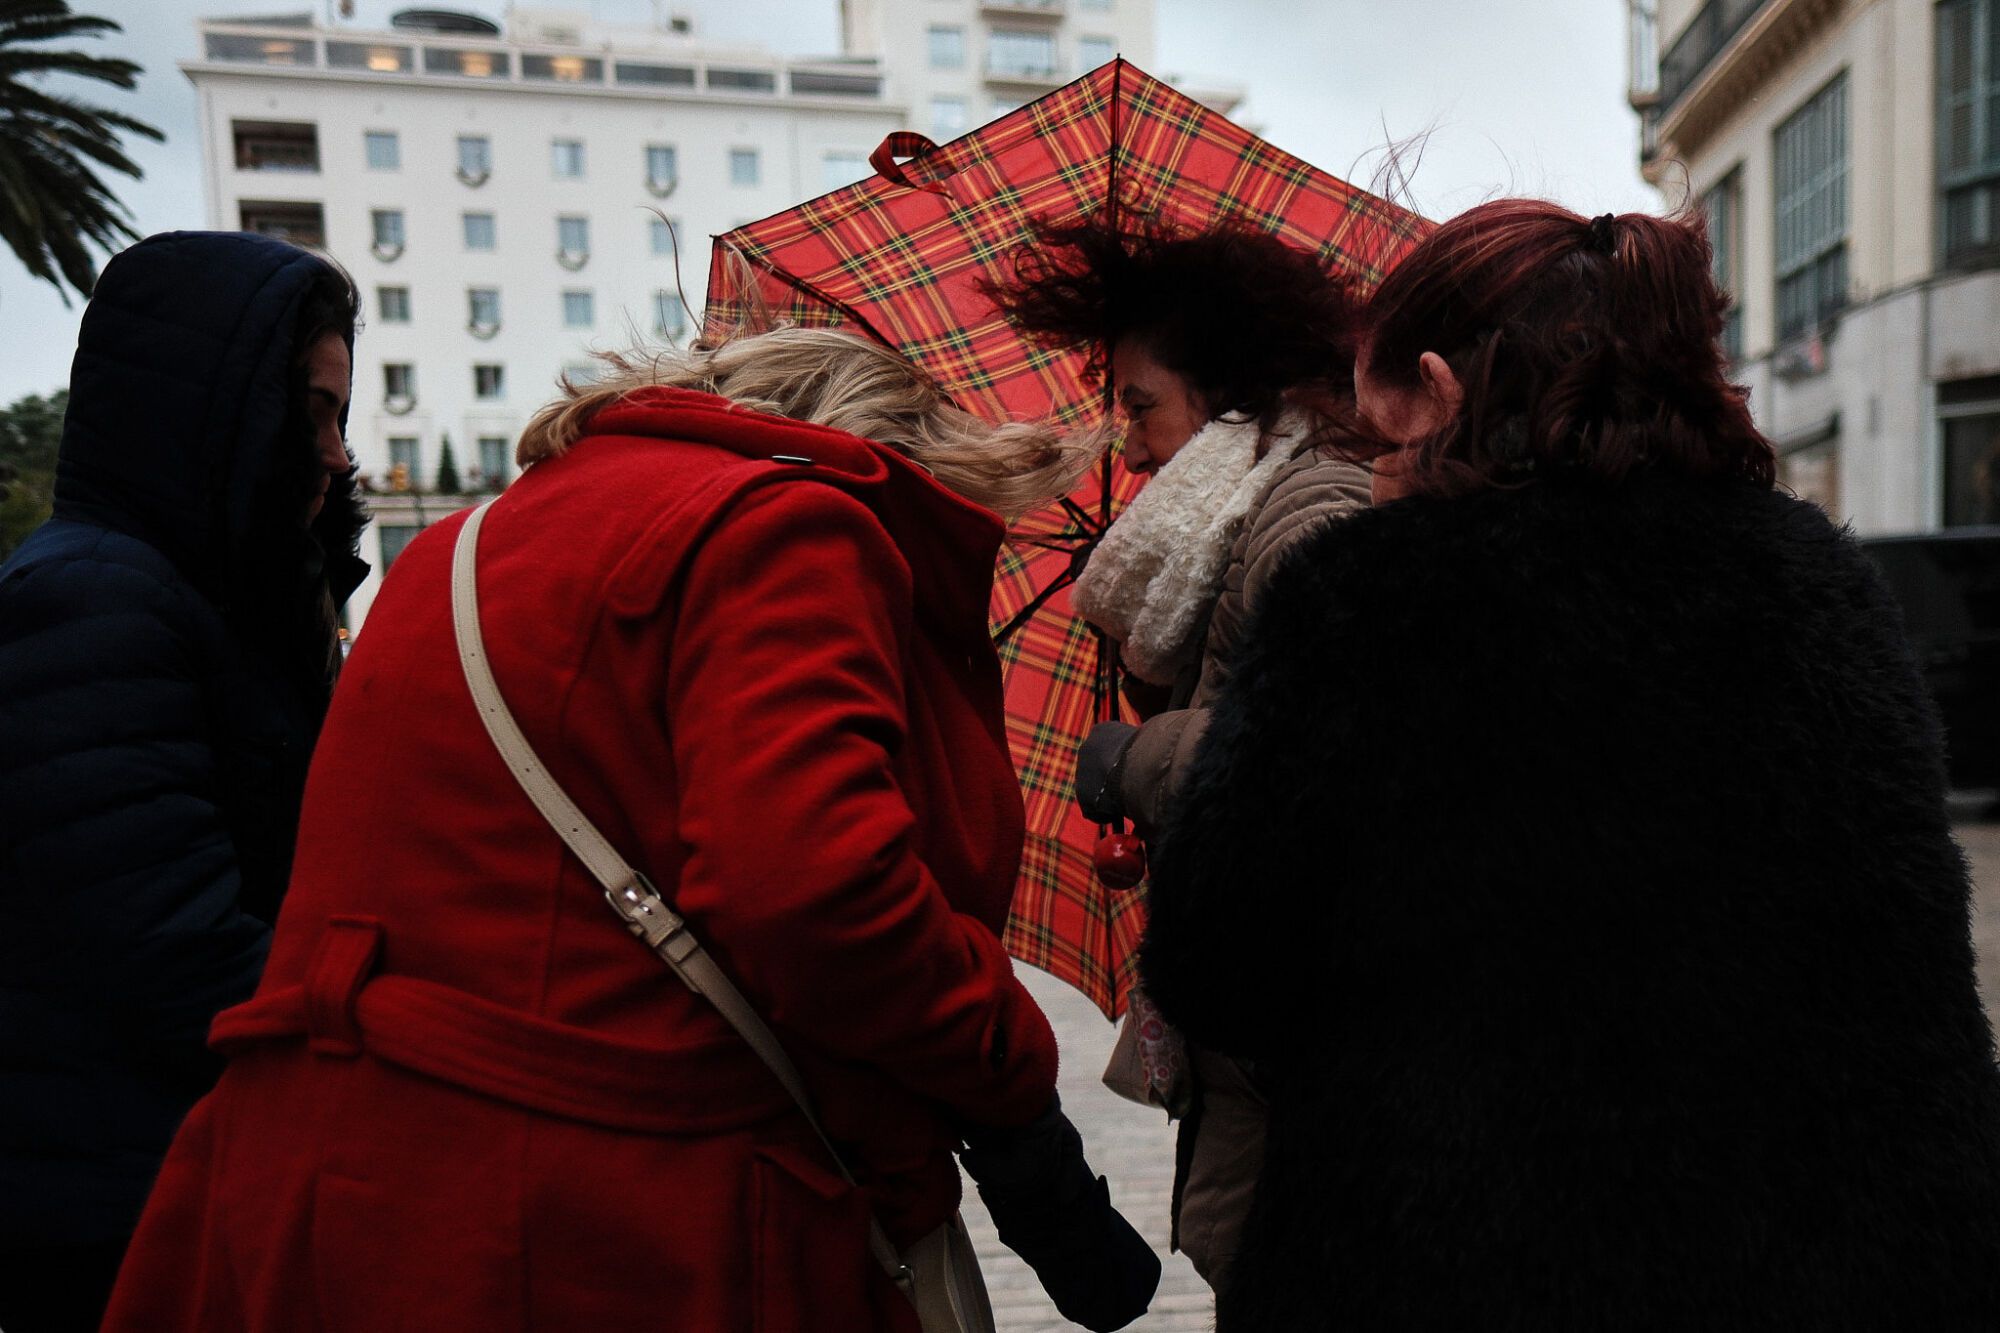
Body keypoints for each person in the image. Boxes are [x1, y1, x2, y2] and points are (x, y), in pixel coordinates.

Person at [102, 327, 1160, 1332]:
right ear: (897, 448)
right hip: (596, 1219)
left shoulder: (456, 549)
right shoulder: (786, 524)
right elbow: (820, 896)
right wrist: (1015, 1096)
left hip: (318, 1184)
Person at [1139, 200, 2000, 1330]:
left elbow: (1216, 970)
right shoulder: (1816, 584)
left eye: (1372, 440)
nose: (1368, 477)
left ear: (1441, 393)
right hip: (1831, 1266)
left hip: (1460, 1263)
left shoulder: (1371, 605)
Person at [989, 219, 1373, 1292]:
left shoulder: (1309, 513)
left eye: (1138, 403)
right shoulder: (1244, 520)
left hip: (1297, 1051)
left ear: (1225, 395)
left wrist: (1135, 755)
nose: (1126, 440)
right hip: (1269, 1049)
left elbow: (1318, 759)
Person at [0, 231, 366, 1333]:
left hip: (164, 1175)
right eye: (313, 413)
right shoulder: (91, 601)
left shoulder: (200, 602)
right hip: (115, 1213)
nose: (341, 455)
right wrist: (385, 1026)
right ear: (217, 410)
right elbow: (170, 946)